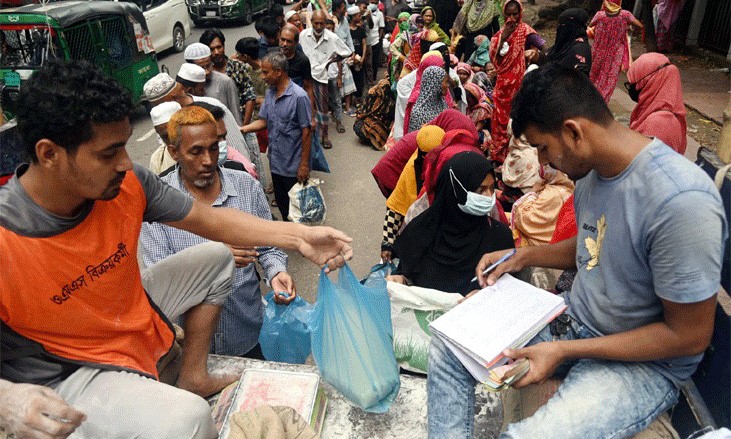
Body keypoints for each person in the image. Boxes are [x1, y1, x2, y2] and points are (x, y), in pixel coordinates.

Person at [0, 59, 352, 439]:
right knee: (190, 419)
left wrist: (298, 236)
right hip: (70, 367)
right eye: (108, 153)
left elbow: (211, 220)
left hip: (124, 311)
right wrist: (7, 399)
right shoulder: (7, 235)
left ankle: (193, 375)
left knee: (218, 257)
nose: (125, 163)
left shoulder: (129, 184)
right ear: (49, 154)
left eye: (125, 146)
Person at [427, 63, 726, 439]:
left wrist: (563, 352)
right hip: (573, 321)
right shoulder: (593, 172)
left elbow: (689, 336)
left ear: (573, 132)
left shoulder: (680, 201)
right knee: (448, 347)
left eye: (543, 148)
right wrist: (523, 257)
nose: (542, 162)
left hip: (642, 364)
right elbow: (595, 245)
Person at [142, 106, 294, 359]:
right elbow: (159, 280)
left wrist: (276, 272)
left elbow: (269, 247)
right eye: (196, 151)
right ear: (174, 152)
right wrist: (215, 260)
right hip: (191, 349)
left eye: (214, 148)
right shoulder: (158, 206)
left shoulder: (246, 186)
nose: (208, 160)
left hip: (248, 333)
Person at [388, 151, 514, 296]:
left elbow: (509, 288)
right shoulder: (420, 233)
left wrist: (484, 295)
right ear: (455, 190)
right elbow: (405, 274)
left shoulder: (499, 237)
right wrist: (400, 281)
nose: (489, 197)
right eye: (480, 190)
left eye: (492, 188)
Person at [242, 51, 312, 221]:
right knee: (283, 206)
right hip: (276, 163)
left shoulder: (299, 96)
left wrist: (304, 165)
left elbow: (307, 131)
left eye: (266, 72)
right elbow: (263, 121)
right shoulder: (270, 93)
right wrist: (242, 129)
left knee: (299, 210)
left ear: (278, 71)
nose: (262, 76)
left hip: (293, 166)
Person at [145, 70, 257, 177]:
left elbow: (234, 143)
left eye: (161, 104)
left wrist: (245, 168)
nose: (161, 109)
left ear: (174, 97)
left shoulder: (210, 107)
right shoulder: (165, 123)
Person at [489, 0, 545, 165]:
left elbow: (544, 47)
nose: (511, 18)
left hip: (519, 86)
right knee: (500, 121)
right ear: (504, 14)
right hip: (502, 87)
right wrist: (504, 38)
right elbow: (495, 59)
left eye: (515, 14)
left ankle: (515, 157)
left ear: (520, 14)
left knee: (516, 121)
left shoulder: (526, 31)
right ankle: (499, 156)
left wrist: (534, 54)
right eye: (508, 14)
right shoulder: (499, 35)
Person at [300, 10, 353, 150]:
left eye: (321, 23)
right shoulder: (303, 35)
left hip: (321, 77)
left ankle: (324, 136)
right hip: (305, 75)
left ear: (325, 23)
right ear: (311, 22)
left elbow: (347, 52)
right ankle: (308, 136)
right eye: (316, 23)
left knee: (323, 108)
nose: (318, 26)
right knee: (306, 106)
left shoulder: (332, 37)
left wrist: (331, 61)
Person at [626, 52, 686, 155]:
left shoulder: (659, 124)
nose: (632, 87)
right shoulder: (656, 111)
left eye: (633, 83)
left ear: (649, 82)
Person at [200, 29, 257, 127]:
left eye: (219, 47)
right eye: (211, 49)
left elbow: (249, 96)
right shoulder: (204, 73)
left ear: (224, 46)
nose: (216, 52)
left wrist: (244, 126)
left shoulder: (238, 67)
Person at [589, 0, 643, 103]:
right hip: (616, 54)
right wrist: (628, 27)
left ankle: (591, 98)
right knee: (610, 79)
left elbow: (591, 25)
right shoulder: (625, 15)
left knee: (594, 76)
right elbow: (640, 26)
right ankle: (603, 102)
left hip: (598, 51)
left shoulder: (599, 15)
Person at [510, 164, 575, 247]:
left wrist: (532, 191)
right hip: (561, 243)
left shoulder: (550, 193)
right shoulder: (568, 189)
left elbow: (525, 219)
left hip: (541, 246)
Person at [184, 43, 243, 124]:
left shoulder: (226, 82)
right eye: (201, 68)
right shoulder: (185, 87)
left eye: (208, 66)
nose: (207, 72)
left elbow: (236, 115)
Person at [325, 17, 354, 133]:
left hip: (333, 75)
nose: (329, 30)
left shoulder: (335, 41)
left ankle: (339, 122)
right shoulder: (320, 42)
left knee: (337, 99)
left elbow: (340, 61)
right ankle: (324, 126)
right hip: (322, 77)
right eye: (327, 28)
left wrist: (339, 77)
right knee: (324, 101)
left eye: (331, 28)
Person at [546, 8, 592, 75]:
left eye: (563, 25)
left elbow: (580, 77)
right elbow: (549, 55)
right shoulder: (565, 44)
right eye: (560, 25)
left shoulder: (581, 50)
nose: (560, 28)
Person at [405, 66, 448, 135]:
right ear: (436, 83)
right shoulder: (419, 113)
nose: (447, 85)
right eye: (445, 82)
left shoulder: (442, 102)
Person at [149, 101, 182, 174]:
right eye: (166, 136)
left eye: (175, 132)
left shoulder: (203, 146)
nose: (172, 139)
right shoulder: (157, 160)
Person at [348, 5, 368, 109]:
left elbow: (364, 44)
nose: (360, 17)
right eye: (358, 16)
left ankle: (359, 99)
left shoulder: (360, 30)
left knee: (360, 79)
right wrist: (352, 58)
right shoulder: (347, 30)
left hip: (360, 60)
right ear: (353, 17)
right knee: (351, 79)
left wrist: (363, 57)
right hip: (350, 60)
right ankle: (351, 100)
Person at [366, 0, 386, 82]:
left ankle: (373, 78)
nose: (373, 4)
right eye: (372, 2)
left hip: (375, 40)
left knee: (374, 61)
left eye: (375, 3)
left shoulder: (380, 14)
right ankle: (367, 78)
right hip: (366, 40)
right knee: (367, 62)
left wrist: (379, 38)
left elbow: (381, 27)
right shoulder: (365, 11)